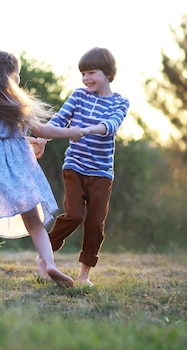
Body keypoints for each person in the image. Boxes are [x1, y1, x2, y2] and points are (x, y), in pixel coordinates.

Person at [0, 50, 89, 288]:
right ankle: (49, 264)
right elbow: (41, 131)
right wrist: (72, 132)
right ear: (9, 76)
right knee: (34, 221)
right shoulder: (17, 105)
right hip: (16, 168)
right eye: (17, 74)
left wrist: (26, 140)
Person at [36, 47, 130, 287]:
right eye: (83, 74)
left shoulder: (120, 102)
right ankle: (44, 256)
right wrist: (43, 138)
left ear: (108, 73)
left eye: (91, 72)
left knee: (95, 223)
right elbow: (59, 119)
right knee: (74, 215)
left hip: (101, 173)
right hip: (75, 166)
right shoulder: (79, 96)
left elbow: (111, 125)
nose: (86, 78)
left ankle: (84, 275)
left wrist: (86, 130)